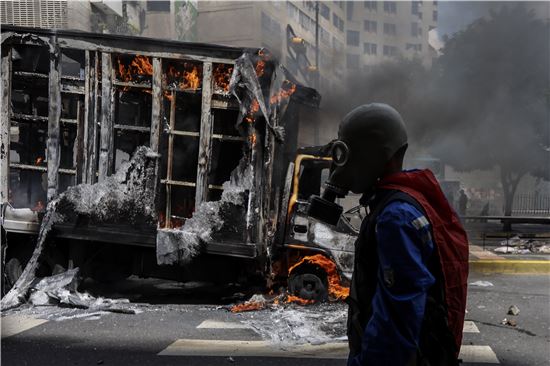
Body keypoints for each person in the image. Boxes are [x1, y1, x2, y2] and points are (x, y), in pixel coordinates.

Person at [317, 104, 469, 365]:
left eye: (346, 153)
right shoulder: (407, 200)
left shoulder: (394, 218)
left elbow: (397, 319)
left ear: (375, 155)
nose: (340, 164)